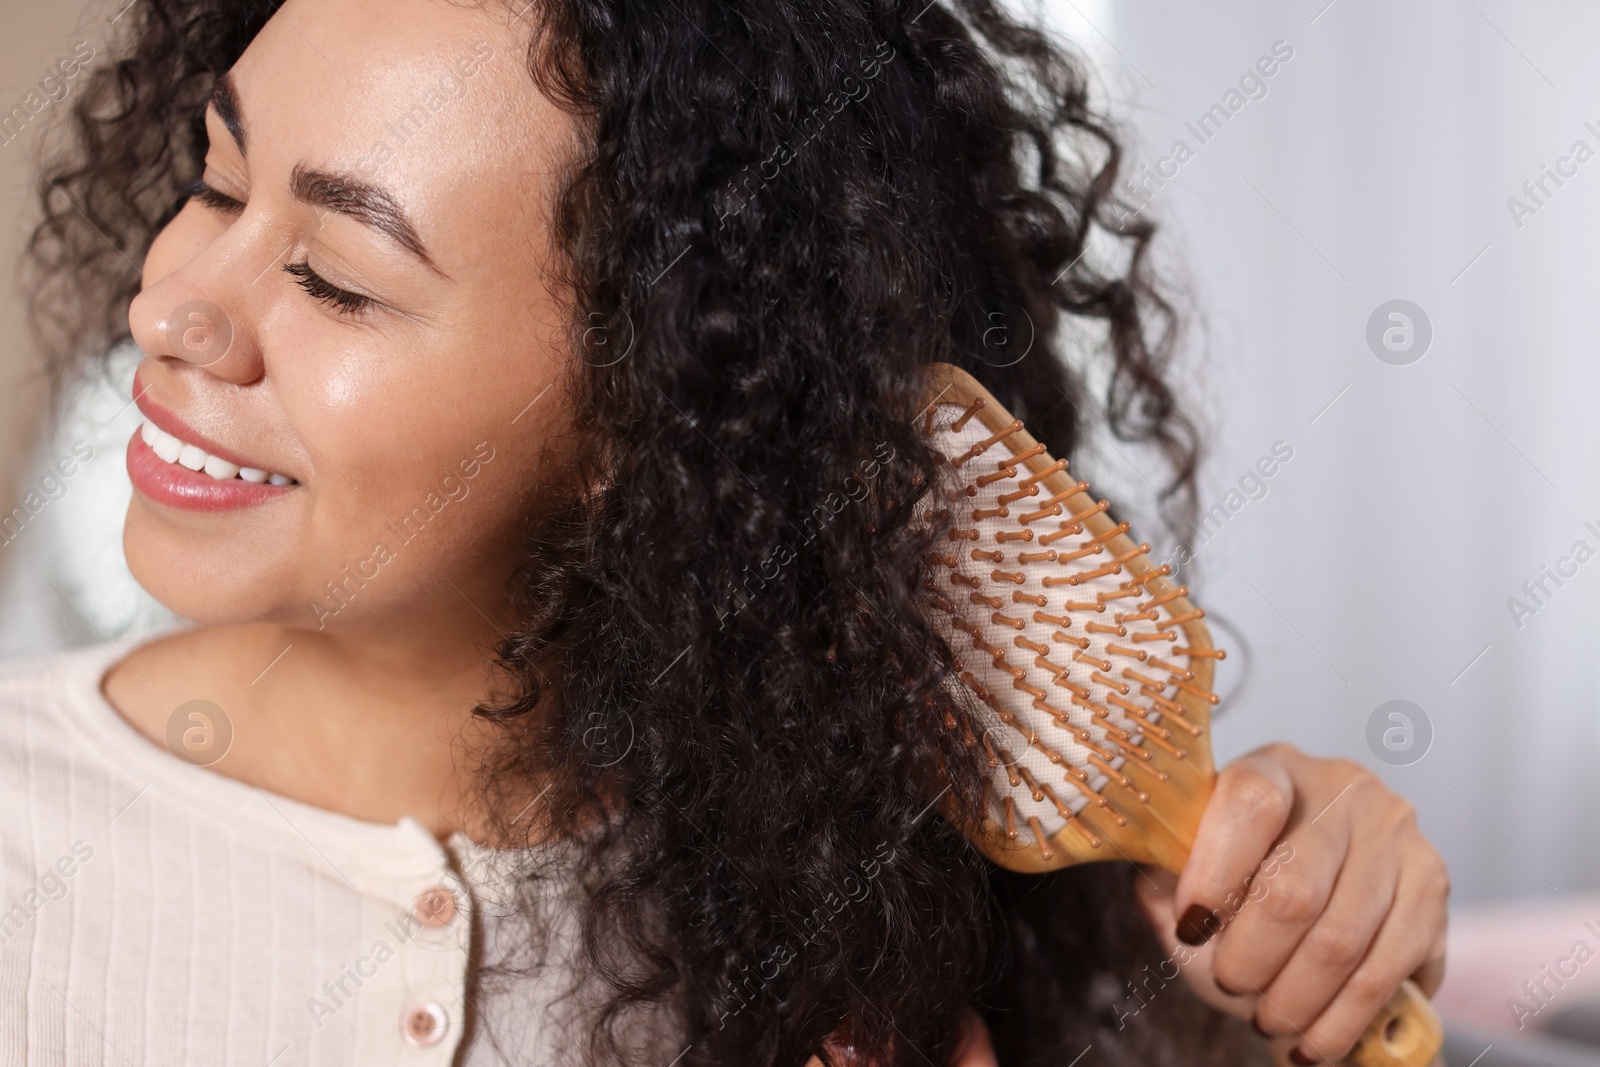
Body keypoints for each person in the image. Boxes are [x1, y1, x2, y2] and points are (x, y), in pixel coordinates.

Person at [4, 0, 1448, 1063]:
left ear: (647, 412)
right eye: (213, 178)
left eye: (333, 277)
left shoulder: (858, 898)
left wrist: (1308, 953)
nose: (168, 309)